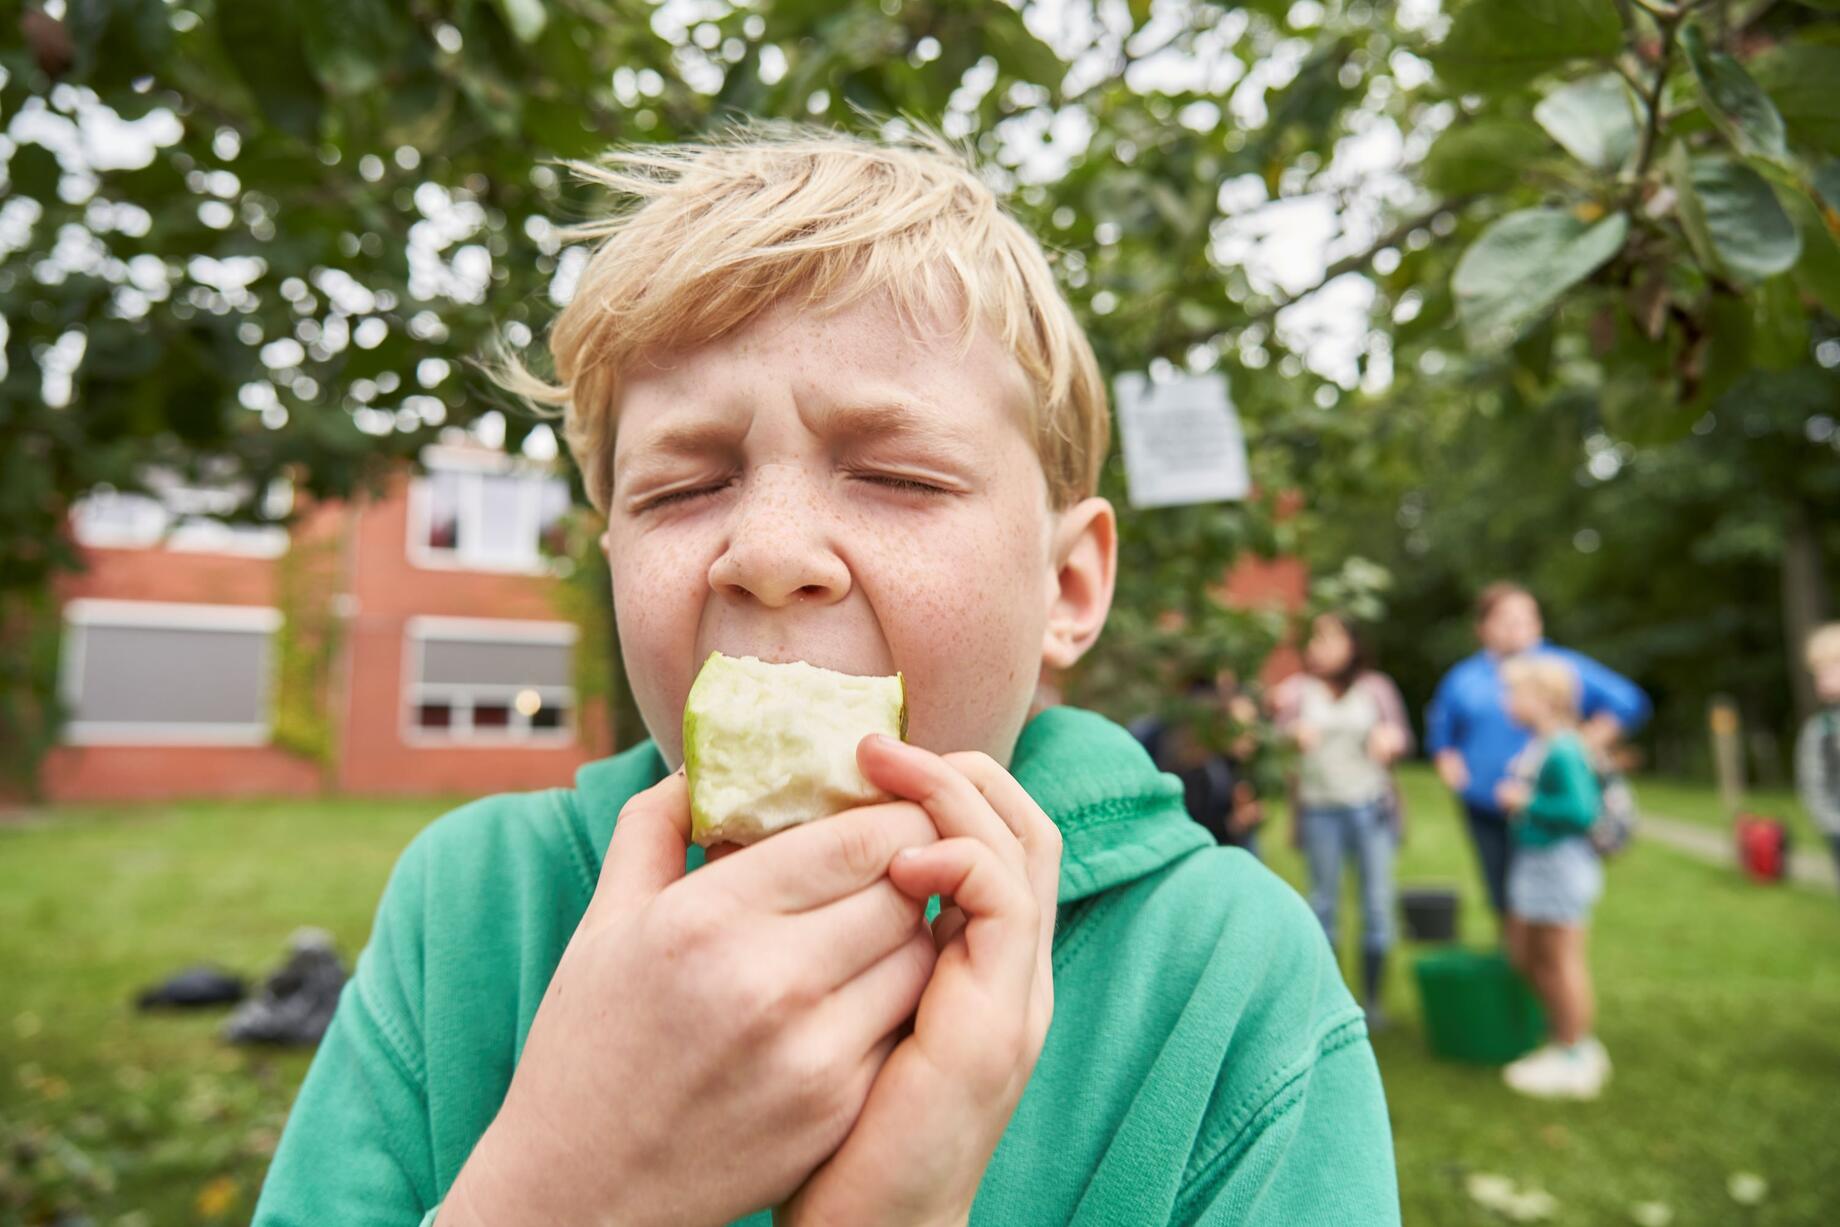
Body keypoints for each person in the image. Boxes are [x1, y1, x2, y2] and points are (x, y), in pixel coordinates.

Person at [253, 128, 1400, 1226]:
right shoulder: (471, 909)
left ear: (1067, 589)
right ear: (613, 565)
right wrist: (563, 1197)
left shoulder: (1230, 977)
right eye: (680, 489)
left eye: (898, 477)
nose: (769, 555)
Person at [1425, 583, 1649, 925]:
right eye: (1505, 618)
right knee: (1502, 895)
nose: (1517, 626)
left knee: (1541, 905)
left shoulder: (1560, 667)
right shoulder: (1464, 677)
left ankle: (1537, 968)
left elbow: (1627, 701)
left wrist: (1585, 742)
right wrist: (1449, 764)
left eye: (1526, 617)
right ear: (1482, 628)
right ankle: (1517, 964)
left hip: (1540, 810)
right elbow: (1443, 732)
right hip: (1485, 805)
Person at [1272, 613, 1413, 1026]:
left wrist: (1390, 743)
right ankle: (1331, 1003)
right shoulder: (1297, 692)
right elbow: (1275, 740)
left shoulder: (1376, 689)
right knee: (1324, 905)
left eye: (1330, 638)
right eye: (1315, 639)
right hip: (1319, 809)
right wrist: (1289, 735)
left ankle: (1373, 1003)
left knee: (1377, 905)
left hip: (1370, 807)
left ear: (1352, 644)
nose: (1320, 647)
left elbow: (1401, 736)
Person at [1494, 656, 1611, 1099]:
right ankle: (1564, 1039)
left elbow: (1583, 812)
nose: (1507, 701)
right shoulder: (1543, 743)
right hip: (1538, 866)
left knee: (1561, 960)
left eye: (1514, 692)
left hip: (1559, 868)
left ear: (1543, 698)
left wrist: (1525, 802)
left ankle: (1574, 1053)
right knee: (1531, 956)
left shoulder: (1562, 747)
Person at [1131, 674, 1267, 857]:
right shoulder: (1196, 768)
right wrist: (1233, 825)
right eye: (1242, 729)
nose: (1251, 738)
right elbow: (1192, 826)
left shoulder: (1231, 764)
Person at [1794, 622, 1840, 892]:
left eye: (1832, 666)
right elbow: (1812, 783)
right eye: (1818, 671)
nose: (1823, 676)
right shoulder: (1821, 729)